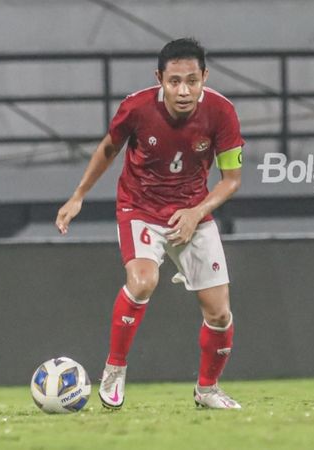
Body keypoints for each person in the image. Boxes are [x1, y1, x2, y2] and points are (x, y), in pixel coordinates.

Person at [55, 38, 244, 409]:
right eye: (174, 81)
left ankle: (207, 390)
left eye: (192, 80)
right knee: (142, 281)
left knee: (220, 313)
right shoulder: (137, 108)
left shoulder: (222, 113)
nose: (184, 90)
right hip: (140, 207)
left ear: (205, 76)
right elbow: (108, 148)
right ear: (159, 78)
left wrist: (195, 213)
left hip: (193, 212)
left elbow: (232, 180)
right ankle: (115, 368)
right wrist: (78, 195)